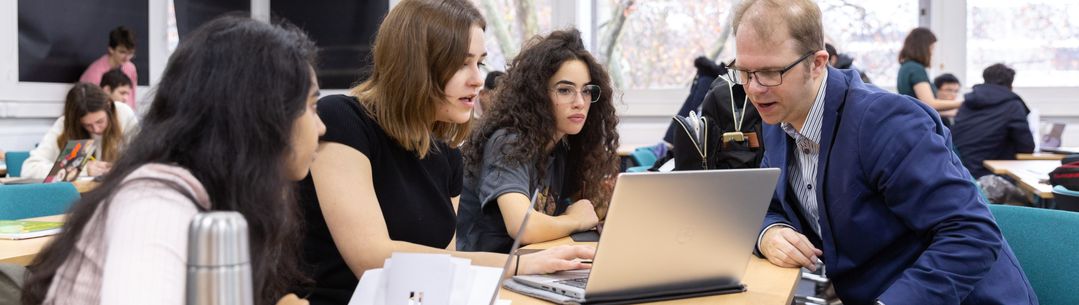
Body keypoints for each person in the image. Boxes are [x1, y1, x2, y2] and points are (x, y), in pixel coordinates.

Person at [725, 0, 1037, 304]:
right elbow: (767, 204)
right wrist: (769, 232)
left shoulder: (886, 123)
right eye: (744, 72)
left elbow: (972, 234)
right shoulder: (777, 118)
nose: (753, 89)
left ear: (818, 63)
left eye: (769, 72)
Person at [293, 1, 594, 304]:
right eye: (462, 63)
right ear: (416, 64)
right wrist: (517, 264)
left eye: (480, 63)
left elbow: (443, 264)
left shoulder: (446, 156)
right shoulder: (342, 120)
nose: (477, 79)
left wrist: (529, 265)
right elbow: (372, 259)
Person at [22, 16, 323, 305]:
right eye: (311, 105)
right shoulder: (156, 204)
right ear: (261, 116)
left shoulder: (225, 196)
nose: (321, 127)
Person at [457, 29, 620, 253]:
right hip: (486, 275)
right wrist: (575, 220)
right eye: (565, 90)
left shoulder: (561, 146)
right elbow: (523, 227)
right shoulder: (509, 142)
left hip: (527, 264)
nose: (580, 102)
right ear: (537, 94)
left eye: (587, 91)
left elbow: (584, 208)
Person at [20, 83, 138, 179]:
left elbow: (143, 159)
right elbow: (29, 169)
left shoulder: (123, 113)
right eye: (87, 125)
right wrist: (82, 169)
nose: (96, 129)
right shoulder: (65, 124)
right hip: (78, 198)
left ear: (108, 107)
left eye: (100, 121)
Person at [953, 64, 1034, 182]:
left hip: (958, 172)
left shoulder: (969, 103)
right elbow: (1026, 147)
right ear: (1010, 84)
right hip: (988, 177)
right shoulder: (1012, 105)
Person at [896, 27, 961, 114]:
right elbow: (930, 104)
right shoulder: (915, 69)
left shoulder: (905, 67)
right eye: (931, 48)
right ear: (923, 48)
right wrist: (963, 103)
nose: (932, 53)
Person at [80, 26, 138, 110]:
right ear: (111, 49)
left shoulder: (130, 68)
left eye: (130, 53)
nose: (127, 58)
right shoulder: (95, 73)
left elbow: (131, 99)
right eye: (122, 52)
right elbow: (85, 106)